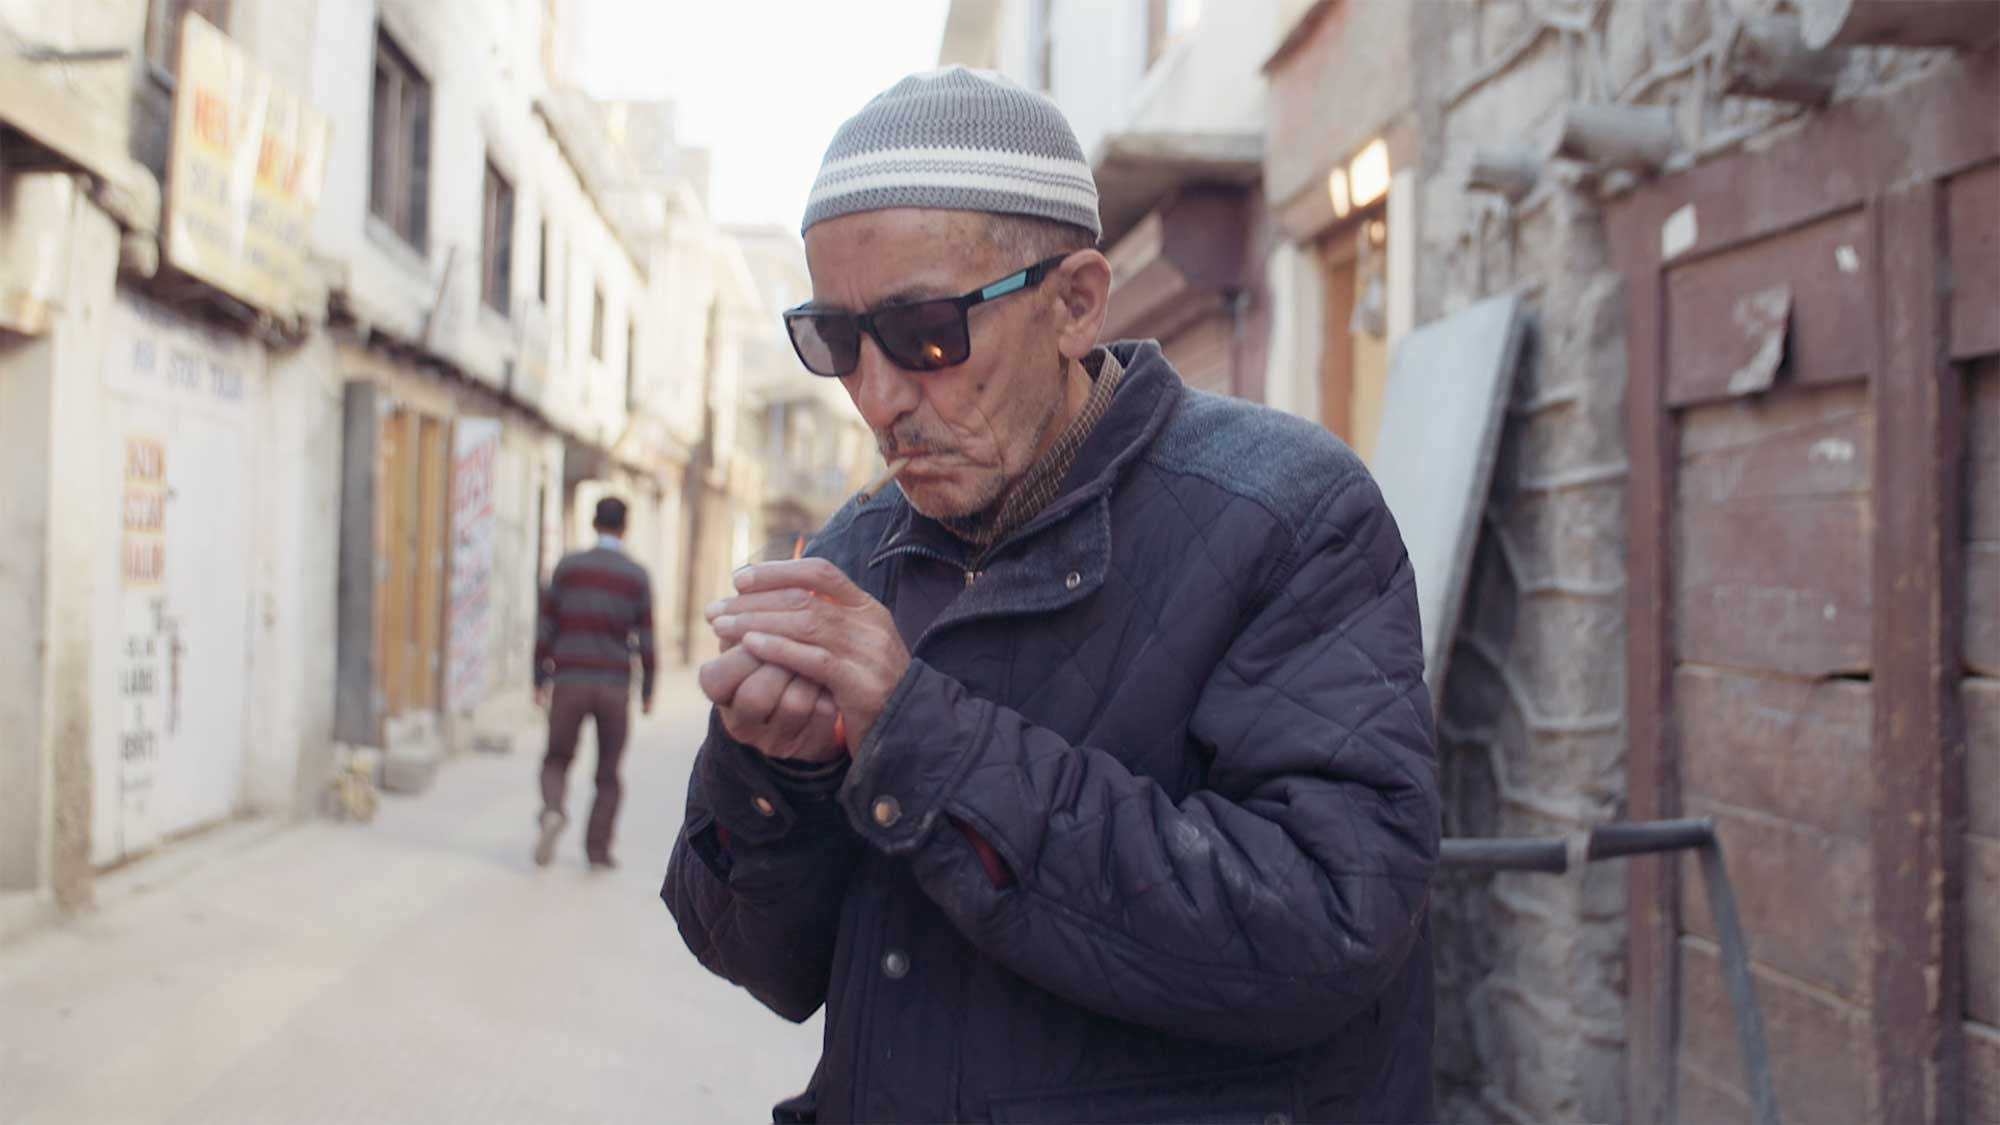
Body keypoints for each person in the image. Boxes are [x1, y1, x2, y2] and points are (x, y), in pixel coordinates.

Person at [663, 67, 1439, 1123]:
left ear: (1074, 303)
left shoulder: (1285, 516)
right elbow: (766, 968)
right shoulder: (859, 545)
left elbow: (1323, 931)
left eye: (925, 333)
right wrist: (770, 774)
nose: (879, 399)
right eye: (836, 344)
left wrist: (917, 734)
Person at [534, 496, 656, 870]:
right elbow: (647, 639)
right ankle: (597, 851)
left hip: (569, 680)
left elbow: (545, 627)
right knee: (608, 772)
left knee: (557, 758)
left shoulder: (568, 568)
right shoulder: (635, 575)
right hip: (614, 686)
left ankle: (553, 810)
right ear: (625, 526)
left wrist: (539, 677)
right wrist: (648, 689)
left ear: (592, 523)